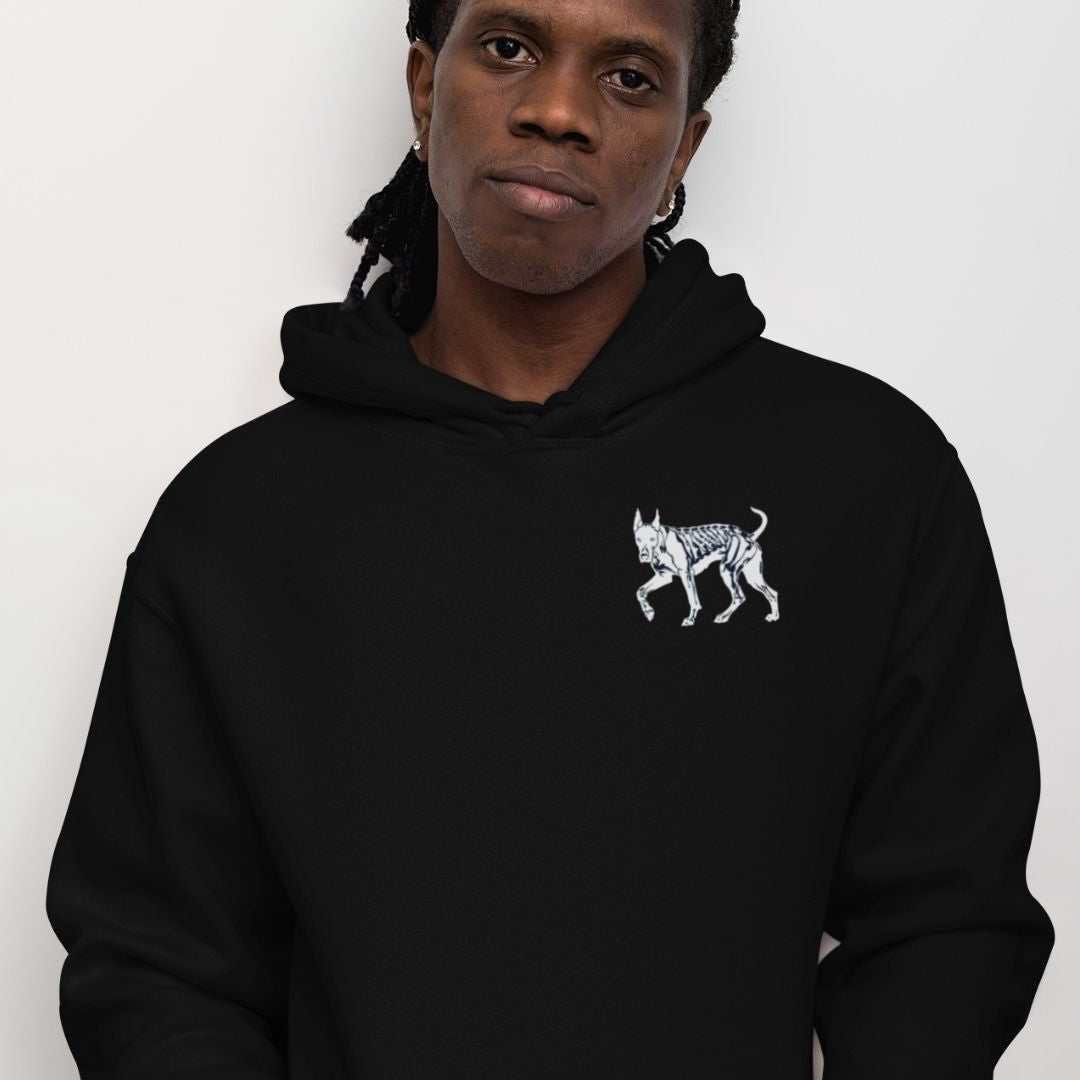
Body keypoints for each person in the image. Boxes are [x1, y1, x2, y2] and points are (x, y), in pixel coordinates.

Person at [46, 1, 1054, 1076]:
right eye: (509, 47)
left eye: (629, 77)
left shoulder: (866, 477)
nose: (560, 109)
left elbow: (948, 921)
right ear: (425, 86)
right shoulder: (241, 520)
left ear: (685, 146)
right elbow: (155, 962)